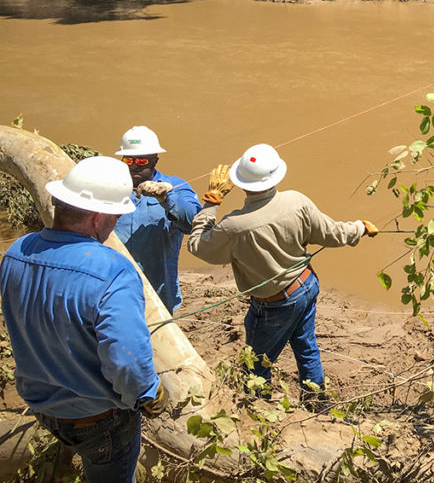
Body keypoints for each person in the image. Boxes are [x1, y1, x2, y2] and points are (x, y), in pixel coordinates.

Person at [0, 156, 167, 483]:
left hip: (44, 408)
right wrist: (149, 394)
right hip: (100, 422)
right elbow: (128, 362)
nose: (116, 222)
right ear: (98, 216)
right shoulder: (113, 271)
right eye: (117, 215)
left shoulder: (16, 252)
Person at [187, 143, 378, 403]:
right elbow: (332, 234)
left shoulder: (234, 226)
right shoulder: (296, 201)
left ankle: (257, 412)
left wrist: (211, 201)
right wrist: (360, 228)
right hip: (306, 285)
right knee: (306, 346)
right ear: (276, 176)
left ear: (241, 183)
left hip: (274, 304)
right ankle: (315, 401)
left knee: (256, 365)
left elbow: (198, 245)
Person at [112, 125, 201, 313]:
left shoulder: (175, 186)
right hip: (113, 288)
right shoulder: (108, 188)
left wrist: (167, 199)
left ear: (155, 160)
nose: (134, 165)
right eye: (128, 159)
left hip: (159, 292)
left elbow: (195, 223)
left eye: (142, 160)